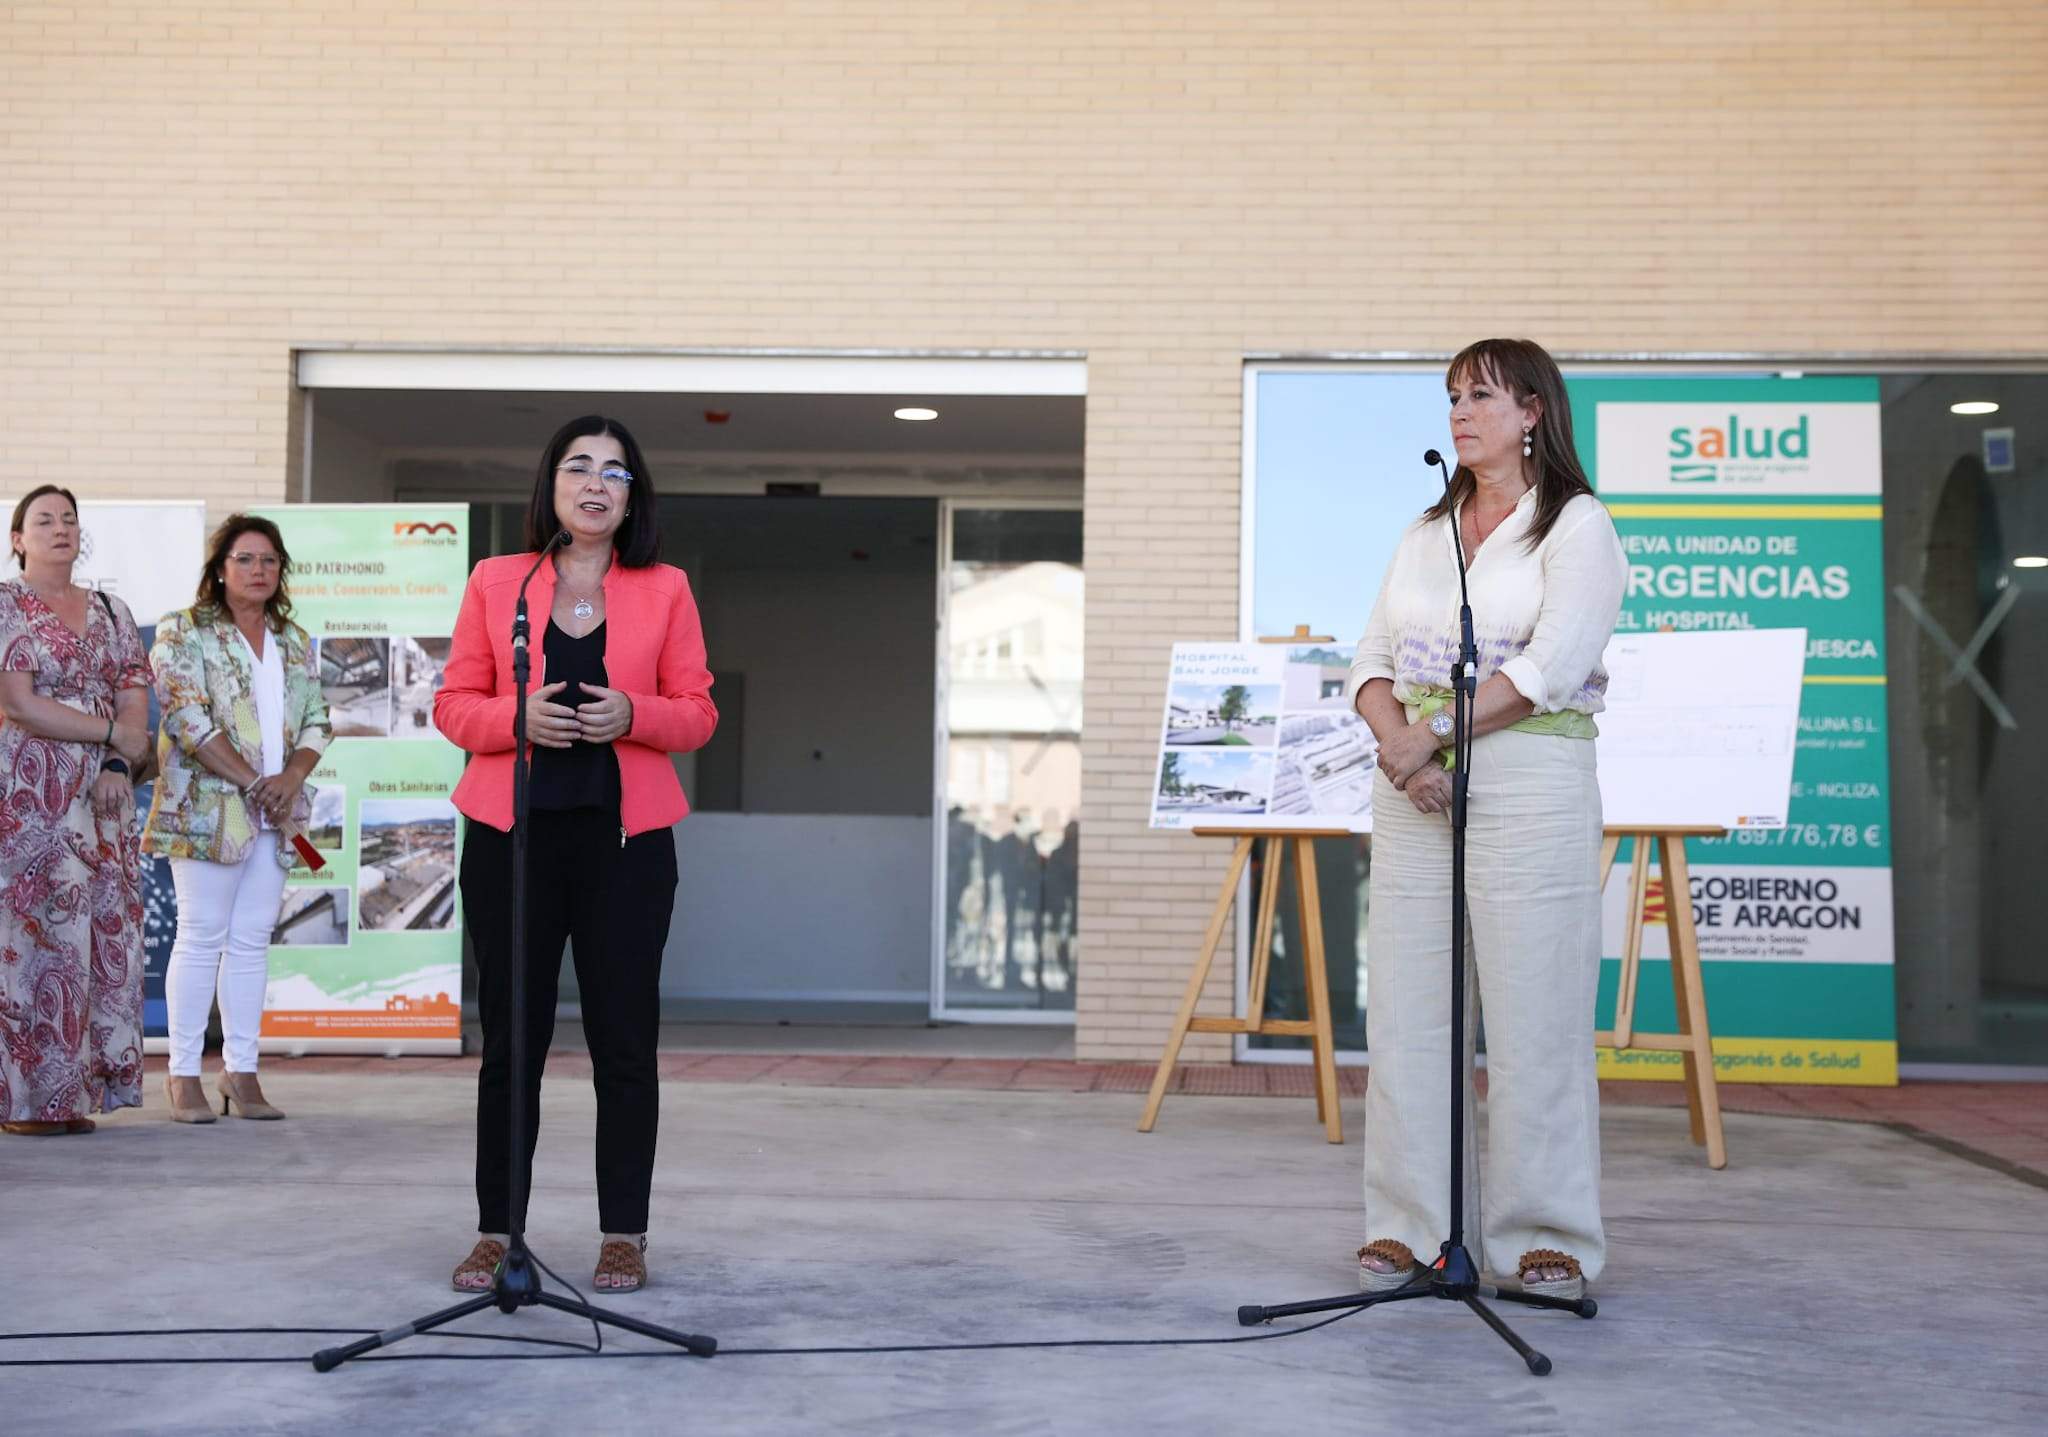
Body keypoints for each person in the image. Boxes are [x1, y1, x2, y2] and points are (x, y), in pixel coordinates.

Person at [1344, 338, 1626, 1301]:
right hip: (1414, 787)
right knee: (1411, 1019)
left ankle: (1546, 1237)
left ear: (1534, 410)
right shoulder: (1424, 534)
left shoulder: (1576, 526)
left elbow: (1552, 662)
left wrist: (1429, 735)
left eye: (1482, 396)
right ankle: (1409, 1229)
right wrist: (1405, 748)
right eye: (1452, 396)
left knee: (1535, 1017)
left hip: (1531, 781)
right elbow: (1370, 661)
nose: (1461, 413)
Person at [436, 416, 717, 1296]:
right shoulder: (497, 581)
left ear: (634, 494)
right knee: (509, 1043)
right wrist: (512, 720)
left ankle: (624, 1231)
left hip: (625, 846)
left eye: (615, 472)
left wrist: (634, 713)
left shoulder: (666, 587)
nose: (596, 483)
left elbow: (699, 710)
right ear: (551, 485)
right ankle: (497, 1228)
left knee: (623, 1042)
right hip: (510, 842)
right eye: (578, 466)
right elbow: (453, 705)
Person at [144, 515, 331, 1124]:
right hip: (206, 811)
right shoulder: (185, 631)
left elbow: (318, 722)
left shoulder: (294, 639)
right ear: (220, 569)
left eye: (269, 560)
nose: (259, 571)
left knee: (252, 943)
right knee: (201, 939)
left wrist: (290, 780)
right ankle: (183, 1076)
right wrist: (256, 783)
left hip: (276, 815)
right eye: (246, 559)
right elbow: (186, 722)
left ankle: (242, 1073)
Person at [0, 486, 154, 1135]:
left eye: (69, 519)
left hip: (105, 802)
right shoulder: (7, 606)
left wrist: (120, 761)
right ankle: (27, 1100)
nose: (60, 528)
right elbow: (20, 704)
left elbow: (134, 696)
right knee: (38, 946)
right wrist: (106, 736)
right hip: (32, 802)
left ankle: (76, 1092)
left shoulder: (113, 610)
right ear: (17, 538)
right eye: (44, 520)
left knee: (101, 939)